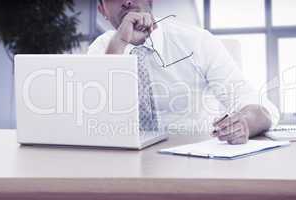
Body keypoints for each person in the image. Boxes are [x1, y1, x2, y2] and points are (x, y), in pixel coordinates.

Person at [88, 0, 279, 144]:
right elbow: (93, 117)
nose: (127, 1)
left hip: (195, 160)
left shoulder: (196, 41)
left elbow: (260, 107)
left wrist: (245, 122)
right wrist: (119, 43)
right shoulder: (103, 48)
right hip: (124, 164)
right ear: (102, 10)